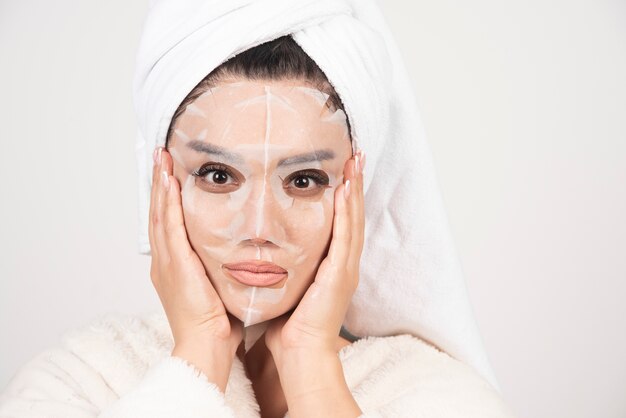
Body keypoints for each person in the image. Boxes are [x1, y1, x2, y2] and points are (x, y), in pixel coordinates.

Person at [0, 35, 516, 418]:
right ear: (161, 186)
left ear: (356, 195)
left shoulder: (444, 399)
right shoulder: (79, 379)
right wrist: (199, 355)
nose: (260, 228)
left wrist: (312, 368)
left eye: (305, 180)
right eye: (218, 175)